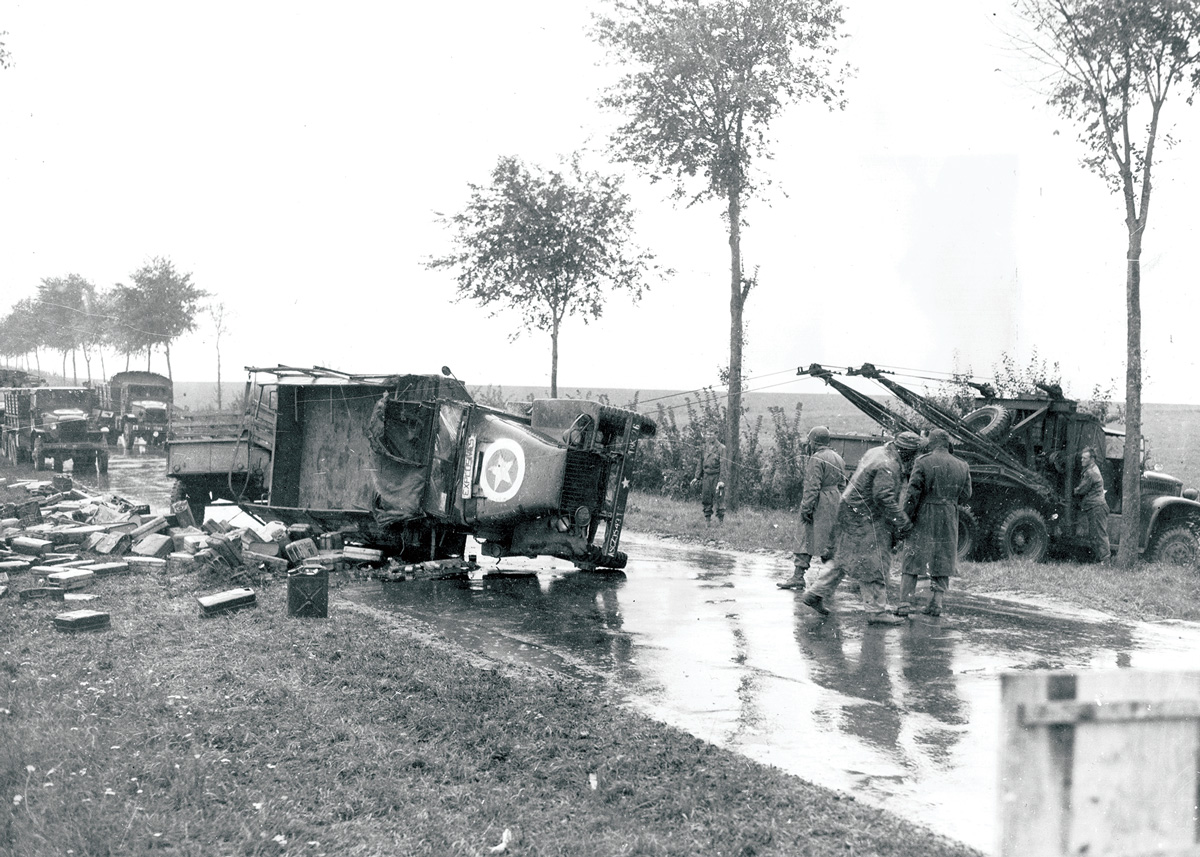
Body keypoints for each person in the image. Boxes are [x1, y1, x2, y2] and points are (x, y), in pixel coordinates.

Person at [800, 431, 921, 624]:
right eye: (914, 454)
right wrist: (902, 521)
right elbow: (883, 497)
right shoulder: (888, 464)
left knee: (844, 558)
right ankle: (876, 611)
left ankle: (815, 593)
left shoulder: (878, 452)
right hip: (866, 516)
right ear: (907, 452)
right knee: (875, 561)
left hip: (850, 509)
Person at [897, 428, 972, 617]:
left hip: (925, 513)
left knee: (912, 557)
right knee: (943, 558)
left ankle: (905, 603)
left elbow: (912, 495)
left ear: (931, 444)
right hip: (949, 514)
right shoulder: (963, 465)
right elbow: (966, 494)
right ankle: (936, 604)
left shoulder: (922, 462)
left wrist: (906, 517)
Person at [779, 426, 846, 589]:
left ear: (814, 442)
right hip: (835, 499)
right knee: (830, 540)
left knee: (804, 535)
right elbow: (843, 484)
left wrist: (806, 508)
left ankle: (798, 576)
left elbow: (812, 486)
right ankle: (830, 580)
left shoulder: (817, 458)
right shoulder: (838, 458)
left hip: (819, 501)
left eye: (809, 441)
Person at [1075, 446, 1110, 562]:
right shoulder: (1093, 468)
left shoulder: (1090, 472)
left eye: (1084, 458)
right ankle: (1100, 560)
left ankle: (1105, 561)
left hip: (1097, 507)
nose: (1082, 460)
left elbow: (1082, 489)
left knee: (1100, 535)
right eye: (1081, 458)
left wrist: (1074, 490)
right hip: (1095, 506)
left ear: (1092, 459)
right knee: (1095, 535)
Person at [691, 427, 727, 526]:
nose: (709, 437)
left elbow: (723, 465)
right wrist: (697, 477)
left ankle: (721, 524)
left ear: (716, 435)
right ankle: (708, 523)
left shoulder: (721, 448)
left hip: (716, 477)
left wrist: (721, 480)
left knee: (719, 500)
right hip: (706, 476)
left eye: (711, 434)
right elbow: (700, 462)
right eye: (707, 434)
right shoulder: (704, 447)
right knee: (706, 499)